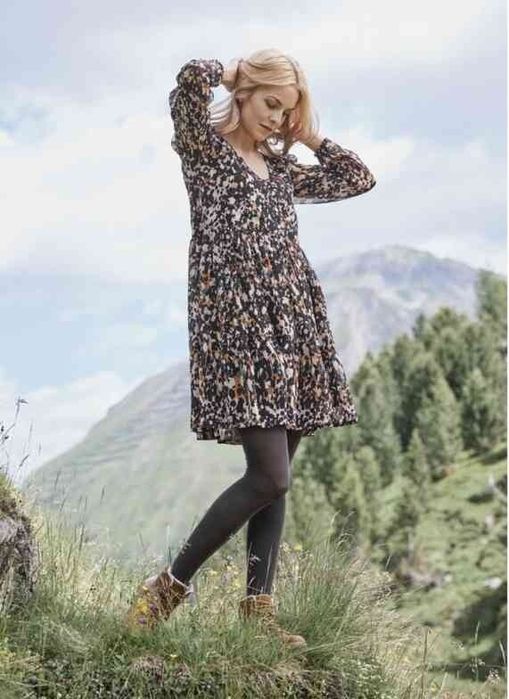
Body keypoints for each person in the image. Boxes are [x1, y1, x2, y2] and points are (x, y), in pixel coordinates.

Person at [127, 49, 376, 647]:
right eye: (269, 103)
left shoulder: (280, 168)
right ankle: (166, 587)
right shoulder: (205, 152)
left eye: (285, 111)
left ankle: (257, 614)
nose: (275, 118)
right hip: (238, 329)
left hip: (293, 325)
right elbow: (188, 84)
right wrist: (231, 71)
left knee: (277, 473)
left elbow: (357, 178)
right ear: (244, 93)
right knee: (269, 476)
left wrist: (310, 135)